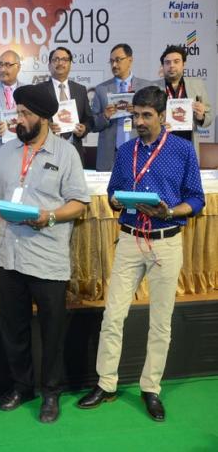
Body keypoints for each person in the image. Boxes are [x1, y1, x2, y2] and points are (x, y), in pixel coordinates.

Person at [77, 86, 204, 421]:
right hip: (130, 239)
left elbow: (196, 199)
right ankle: (106, 383)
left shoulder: (182, 150)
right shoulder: (125, 151)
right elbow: (113, 192)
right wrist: (115, 201)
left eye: (147, 115)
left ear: (162, 116)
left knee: (160, 321)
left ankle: (151, 388)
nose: (140, 122)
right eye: (136, 115)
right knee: (113, 315)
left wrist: (171, 211)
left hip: (166, 240)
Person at [0, 83, 89, 423]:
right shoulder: (7, 151)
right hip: (10, 256)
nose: (18, 119)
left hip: (47, 257)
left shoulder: (66, 154)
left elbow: (79, 203)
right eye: (17, 112)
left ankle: (51, 393)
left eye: (25, 114)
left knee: (52, 332)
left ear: (44, 118)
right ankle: (22, 387)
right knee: (13, 328)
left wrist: (49, 216)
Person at [91, 43, 152, 171]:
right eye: (111, 61)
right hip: (110, 156)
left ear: (130, 60)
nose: (114, 65)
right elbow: (93, 125)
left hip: (140, 151)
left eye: (118, 60)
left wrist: (138, 113)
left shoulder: (146, 87)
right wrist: (105, 116)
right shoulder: (101, 89)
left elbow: (154, 120)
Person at [156, 44, 212, 157]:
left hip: (188, 147)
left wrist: (201, 117)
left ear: (183, 64)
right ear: (163, 66)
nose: (172, 65)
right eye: (167, 62)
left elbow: (208, 118)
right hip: (161, 148)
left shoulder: (197, 85)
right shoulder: (153, 88)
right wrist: (157, 122)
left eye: (176, 61)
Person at [41, 47, 93, 164]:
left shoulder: (80, 89)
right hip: (47, 150)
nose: (60, 63)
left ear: (70, 64)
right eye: (56, 60)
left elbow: (89, 119)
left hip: (74, 150)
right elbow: (34, 120)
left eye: (64, 59)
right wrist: (46, 128)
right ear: (49, 65)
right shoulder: (40, 90)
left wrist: (84, 129)